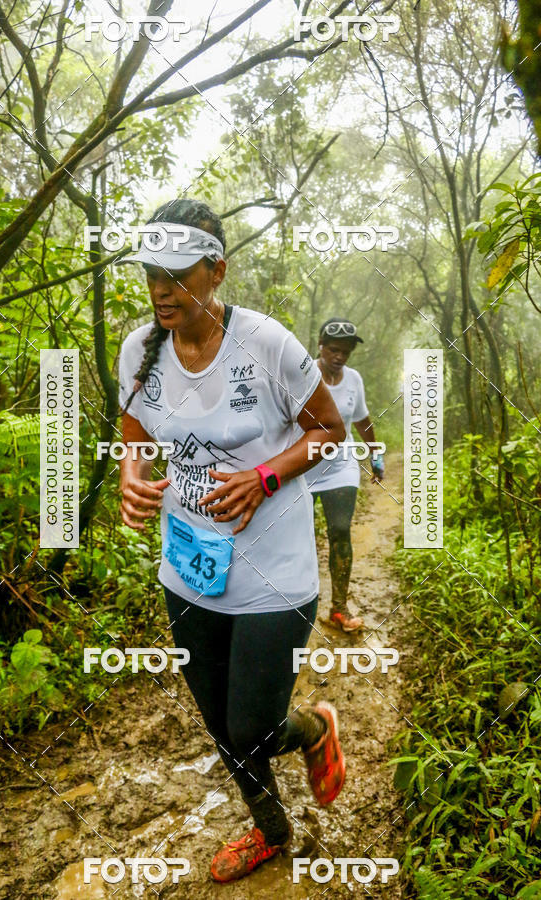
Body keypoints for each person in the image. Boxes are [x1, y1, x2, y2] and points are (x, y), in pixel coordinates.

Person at [117, 199, 348, 883]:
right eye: (152, 273)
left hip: (273, 571)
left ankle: (312, 729)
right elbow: (134, 436)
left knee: (252, 727)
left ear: (215, 270)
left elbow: (327, 431)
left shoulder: (268, 344)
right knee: (222, 727)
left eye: (178, 273)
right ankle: (272, 832)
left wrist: (263, 478)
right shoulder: (139, 349)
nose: (162, 289)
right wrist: (134, 476)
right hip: (187, 568)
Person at [306, 319, 384, 633]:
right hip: (303, 470)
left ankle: (338, 608)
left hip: (341, 467)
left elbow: (362, 420)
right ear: (321, 347)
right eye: (334, 350)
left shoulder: (353, 380)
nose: (339, 357)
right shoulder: (303, 373)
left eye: (346, 352)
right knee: (299, 536)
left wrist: (375, 454)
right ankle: (296, 602)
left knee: (339, 530)